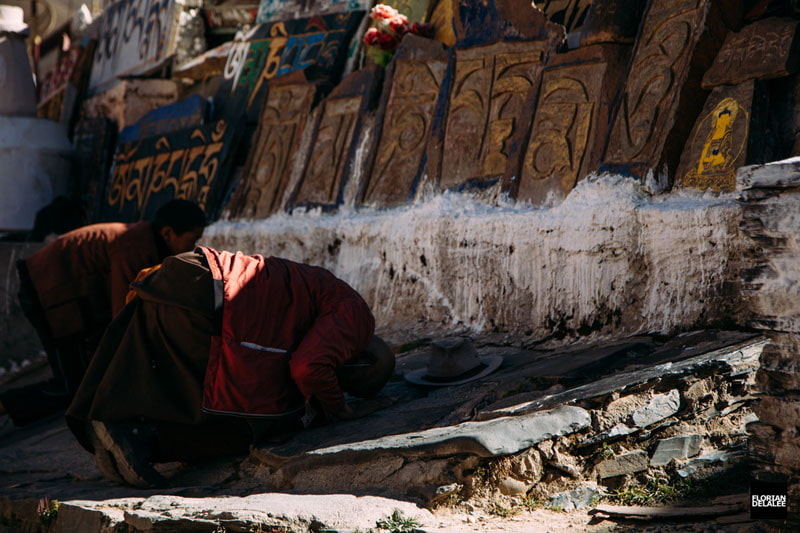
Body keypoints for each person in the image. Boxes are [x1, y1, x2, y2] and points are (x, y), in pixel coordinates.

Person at [66, 246, 396, 488]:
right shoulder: (358, 318)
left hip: (190, 275)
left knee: (184, 387)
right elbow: (309, 367)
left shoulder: (320, 292)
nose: (338, 383)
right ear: (362, 359)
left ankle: (128, 438)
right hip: (207, 292)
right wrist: (338, 407)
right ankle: (136, 435)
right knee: (255, 418)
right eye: (347, 382)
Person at [0, 199, 207, 426]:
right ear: (168, 233)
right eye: (191, 240)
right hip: (47, 292)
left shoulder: (145, 240)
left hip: (66, 293)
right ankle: (5, 405)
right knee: (75, 387)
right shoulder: (136, 247)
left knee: (86, 377)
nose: (192, 248)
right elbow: (124, 313)